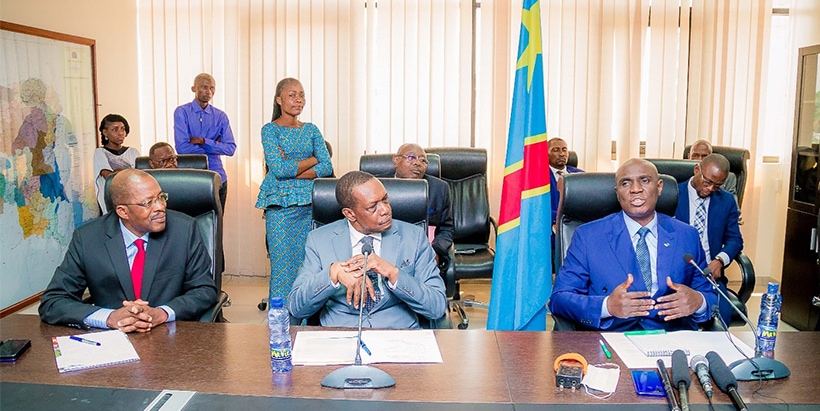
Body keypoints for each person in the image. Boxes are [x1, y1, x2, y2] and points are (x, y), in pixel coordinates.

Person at [39, 169, 217, 333]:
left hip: (169, 335)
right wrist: (108, 317)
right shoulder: (88, 238)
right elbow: (53, 302)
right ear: (123, 212)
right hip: (113, 340)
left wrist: (163, 313)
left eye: (161, 197)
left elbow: (204, 289)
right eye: (148, 203)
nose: (160, 207)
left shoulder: (184, 229)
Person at [548, 159, 717, 331]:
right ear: (617, 192)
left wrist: (699, 301)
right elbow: (559, 299)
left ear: (659, 187)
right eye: (625, 183)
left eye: (644, 180)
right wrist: (607, 306)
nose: (635, 189)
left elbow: (710, 295)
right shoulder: (588, 236)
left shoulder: (686, 235)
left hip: (671, 342)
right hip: (611, 341)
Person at [288, 171, 447, 328]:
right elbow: (296, 308)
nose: (385, 210)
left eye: (385, 200)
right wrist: (332, 274)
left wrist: (394, 274)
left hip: (397, 335)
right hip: (340, 336)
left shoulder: (414, 237)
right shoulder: (319, 240)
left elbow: (437, 307)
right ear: (350, 214)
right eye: (373, 207)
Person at [256, 77, 333, 302]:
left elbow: (326, 165)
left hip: (311, 204)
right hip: (280, 206)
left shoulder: (311, 129)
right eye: (292, 95)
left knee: (309, 266)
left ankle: (306, 323)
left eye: (302, 95)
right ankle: (280, 323)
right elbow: (278, 169)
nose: (298, 99)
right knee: (282, 268)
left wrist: (293, 167)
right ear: (279, 99)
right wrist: (312, 159)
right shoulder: (270, 130)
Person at [674, 153, 743, 326]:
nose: (711, 189)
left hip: (709, 275)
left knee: (721, 317)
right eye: (707, 182)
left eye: (717, 186)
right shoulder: (672, 194)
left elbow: (735, 239)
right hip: (675, 273)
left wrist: (719, 260)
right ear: (697, 170)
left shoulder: (726, 200)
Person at [174, 73, 236, 209]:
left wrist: (203, 141)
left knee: (216, 226)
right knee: (192, 225)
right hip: (190, 178)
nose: (208, 92)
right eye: (204, 87)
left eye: (212, 88)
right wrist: (215, 145)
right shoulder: (182, 112)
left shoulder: (220, 116)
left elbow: (230, 149)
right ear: (193, 88)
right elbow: (182, 148)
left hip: (217, 177)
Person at [390, 143, 454, 270]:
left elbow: (447, 229)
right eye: (411, 158)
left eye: (423, 160)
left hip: (424, 251)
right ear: (396, 160)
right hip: (388, 249)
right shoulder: (378, 185)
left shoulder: (439, 189)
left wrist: (436, 250)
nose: (417, 163)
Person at [94, 114, 140, 214]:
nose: (120, 133)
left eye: (123, 129)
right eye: (115, 130)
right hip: (111, 201)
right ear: (105, 132)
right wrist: (128, 173)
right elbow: (110, 177)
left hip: (132, 199)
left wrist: (120, 173)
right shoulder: (100, 152)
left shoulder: (133, 152)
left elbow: (139, 177)